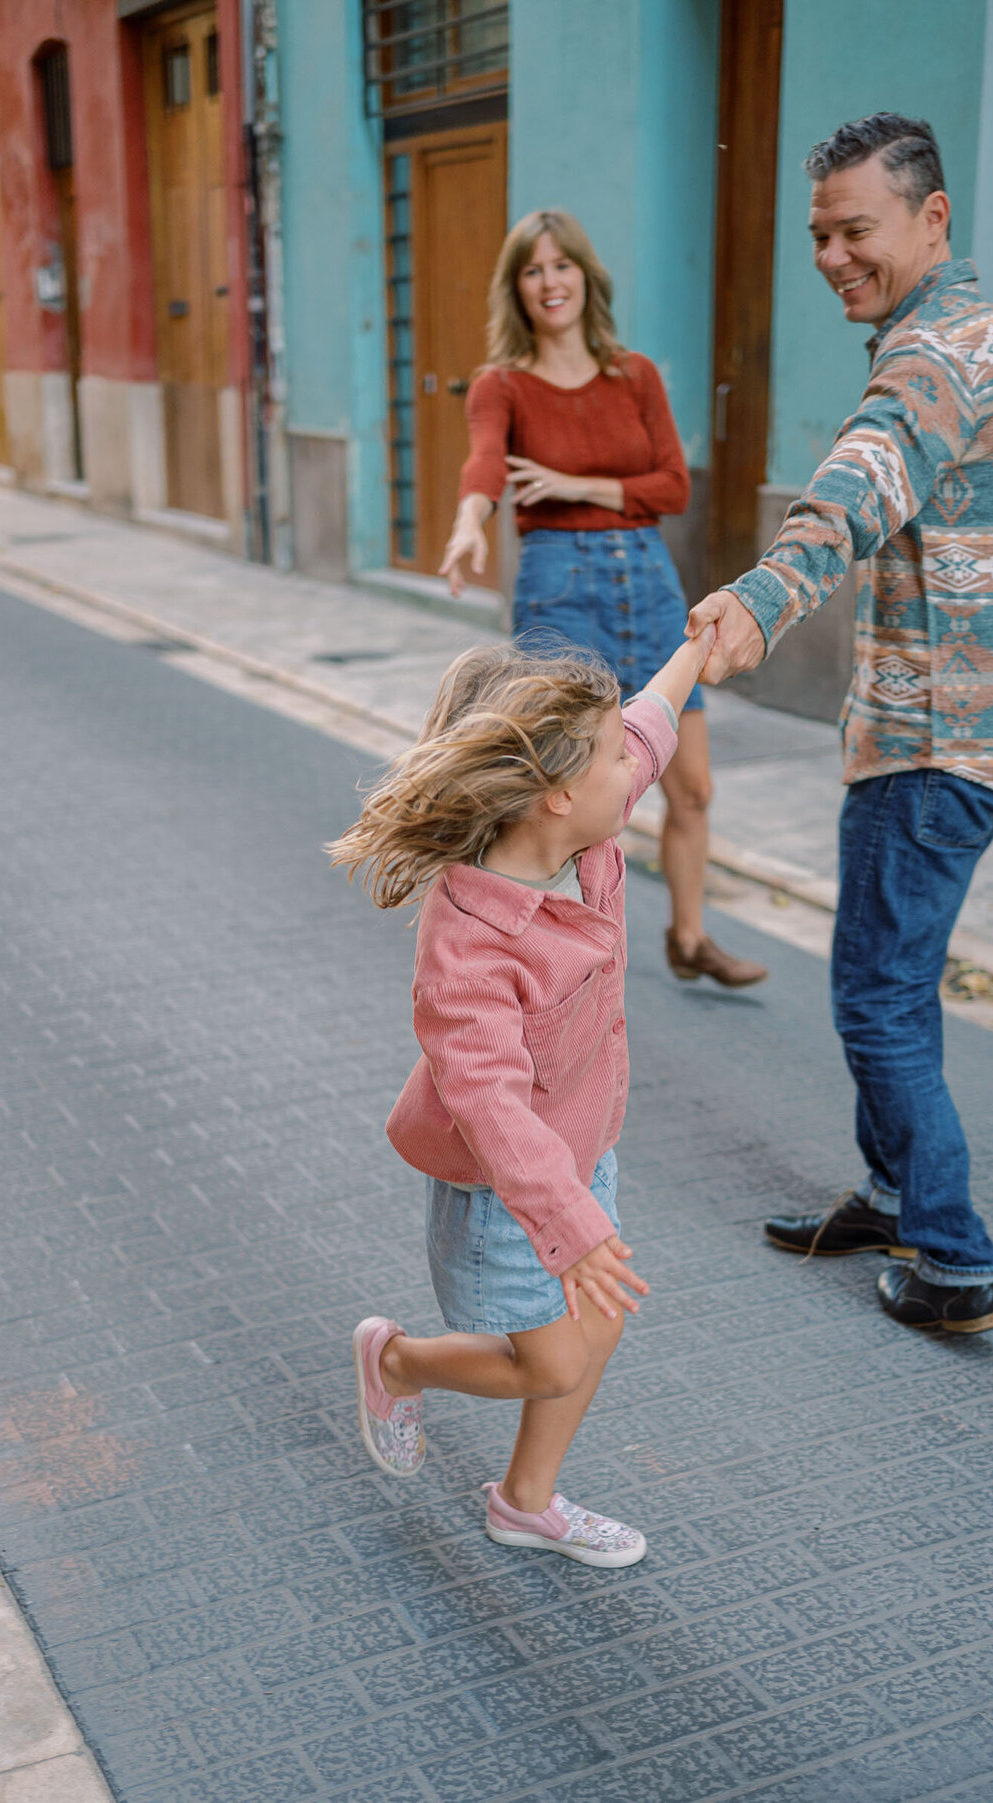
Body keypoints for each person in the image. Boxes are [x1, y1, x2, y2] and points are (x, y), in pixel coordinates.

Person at [689, 114, 993, 1335]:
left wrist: (763, 593)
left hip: (943, 742)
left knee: (879, 996)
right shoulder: (957, 334)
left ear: (931, 217)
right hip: (942, 728)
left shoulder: (941, 353)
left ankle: (954, 1256)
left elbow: (866, 473)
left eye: (857, 229)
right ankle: (896, 1190)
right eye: (820, 233)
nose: (834, 253)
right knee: (879, 980)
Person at [330, 621, 715, 1565]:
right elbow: (492, 1107)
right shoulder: (469, 944)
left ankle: (525, 1501)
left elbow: (652, 725)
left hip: (583, 1145)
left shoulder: (578, 842)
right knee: (552, 1357)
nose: (635, 766)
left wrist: (706, 642)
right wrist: (572, 1224)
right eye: (609, 760)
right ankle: (397, 1359)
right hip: (506, 1186)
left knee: (600, 1323)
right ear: (554, 796)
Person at [440, 206, 766, 991]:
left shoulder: (636, 374)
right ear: (515, 288)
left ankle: (689, 935)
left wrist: (574, 484)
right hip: (561, 589)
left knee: (692, 785)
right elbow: (486, 464)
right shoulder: (502, 384)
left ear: (586, 276)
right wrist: (468, 525)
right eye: (532, 269)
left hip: (648, 581)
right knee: (564, 795)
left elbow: (674, 485)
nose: (550, 282)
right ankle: (567, 957)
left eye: (562, 265)